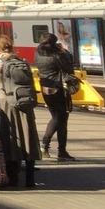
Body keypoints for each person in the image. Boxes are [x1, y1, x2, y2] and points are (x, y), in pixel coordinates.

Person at [0, 34, 40, 187]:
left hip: (7, 104)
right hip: (25, 104)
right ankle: (30, 179)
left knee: (9, 138)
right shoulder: (22, 62)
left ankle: (13, 177)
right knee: (28, 137)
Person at [36, 33, 77, 162]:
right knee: (60, 119)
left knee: (57, 117)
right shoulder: (57, 56)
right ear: (54, 43)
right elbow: (69, 67)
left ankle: (53, 149)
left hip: (45, 89)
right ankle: (53, 148)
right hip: (58, 89)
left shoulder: (38, 53)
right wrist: (64, 51)